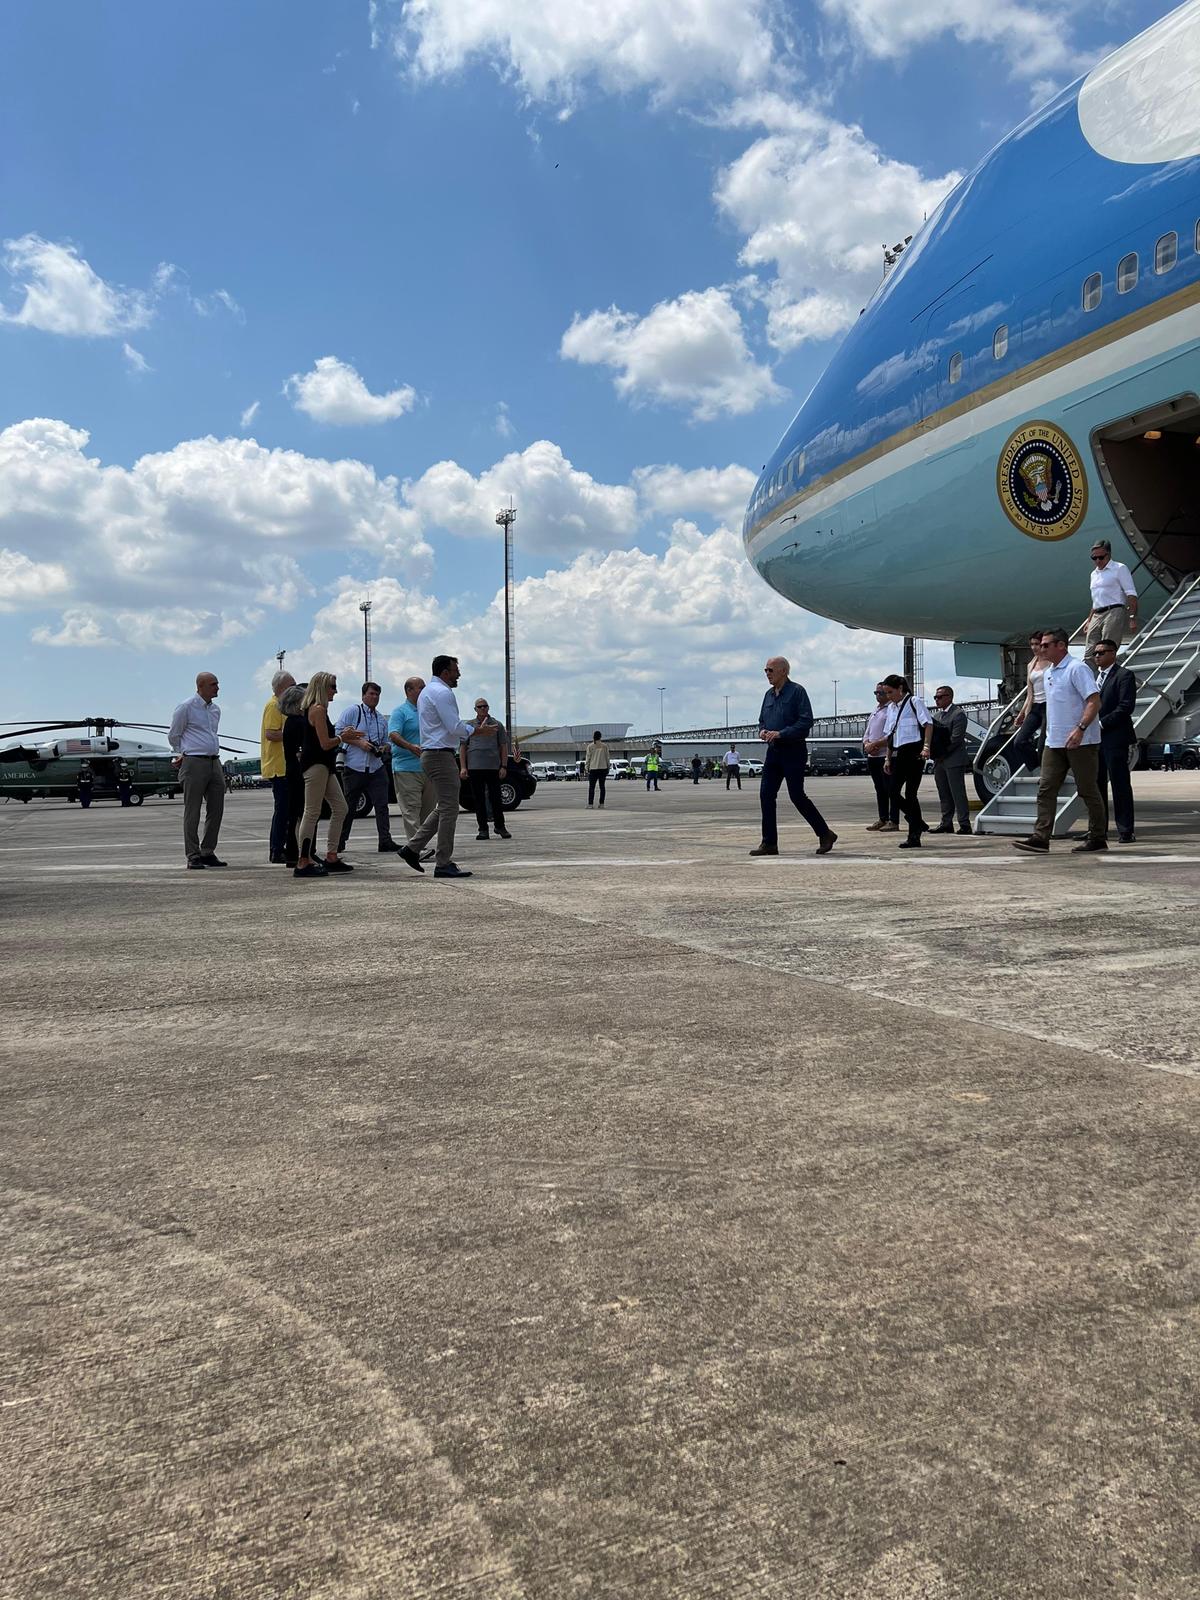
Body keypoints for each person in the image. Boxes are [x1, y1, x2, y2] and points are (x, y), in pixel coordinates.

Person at [1012, 628, 1106, 854]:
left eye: (1045, 645)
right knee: (1045, 788)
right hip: (1054, 742)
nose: (1040, 649)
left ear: (1061, 645)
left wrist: (1081, 728)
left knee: (1087, 790)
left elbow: (1094, 702)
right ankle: (1041, 837)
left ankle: (1098, 837)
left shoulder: (1077, 669)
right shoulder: (1049, 673)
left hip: (1081, 741)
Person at [396, 654, 482, 879]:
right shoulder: (443, 693)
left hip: (433, 754)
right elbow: (454, 727)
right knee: (450, 809)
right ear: (445, 672)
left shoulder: (428, 692)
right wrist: (476, 730)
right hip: (439, 755)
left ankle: (412, 848)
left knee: (444, 806)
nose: (459, 674)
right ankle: (443, 862)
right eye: (456, 670)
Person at [750, 656, 836, 857]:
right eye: (766, 670)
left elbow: (806, 721)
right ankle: (769, 843)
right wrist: (763, 731)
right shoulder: (768, 695)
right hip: (773, 752)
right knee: (766, 795)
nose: (767, 674)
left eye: (770, 670)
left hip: (793, 750)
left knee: (797, 795)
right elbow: (762, 720)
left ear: (783, 671)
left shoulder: (797, 692)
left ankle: (825, 833)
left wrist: (782, 733)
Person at [295, 672, 364, 878]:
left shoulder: (320, 710)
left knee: (340, 808)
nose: (336, 690)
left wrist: (344, 736)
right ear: (323, 688)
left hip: (325, 765)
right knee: (312, 811)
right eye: (332, 686)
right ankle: (303, 861)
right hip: (316, 765)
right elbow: (325, 743)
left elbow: (327, 741)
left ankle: (331, 855)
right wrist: (344, 736)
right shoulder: (317, 709)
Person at [168, 670, 226, 870]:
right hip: (194, 762)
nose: (217, 687)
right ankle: (193, 855)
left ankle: (207, 851)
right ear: (200, 686)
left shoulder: (215, 710)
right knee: (192, 810)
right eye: (213, 684)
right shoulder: (186, 707)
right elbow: (174, 735)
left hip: (214, 762)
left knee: (216, 809)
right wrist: (182, 753)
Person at [336, 681, 399, 854]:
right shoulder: (353, 712)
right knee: (349, 807)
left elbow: (386, 741)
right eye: (371, 694)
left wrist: (384, 747)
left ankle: (385, 841)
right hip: (354, 765)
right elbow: (338, 733)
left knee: (382, 805)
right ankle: (339, 842)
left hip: (375, 766)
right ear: (363, 695)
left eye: (377, 694)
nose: (374, 697)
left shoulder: (380, 718)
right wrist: (360, 743)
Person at [1094, 639, 1137, 843]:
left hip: (1115, 737)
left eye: (1101, 653)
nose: (1097, 657)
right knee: (1097, 785)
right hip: (1095, 740)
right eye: (1095, 654)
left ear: (1113, 653)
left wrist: (1101, 724)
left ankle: (1126, 830)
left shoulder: (1124, 675)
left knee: (1120, 785)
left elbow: (1126, 707)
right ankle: (1098, 830)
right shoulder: (1095, 678)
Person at [881, 674, 931, 849]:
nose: (888, 696)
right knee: (892, 791)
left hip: (914, 751)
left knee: (911, 794)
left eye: (890, 692)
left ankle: (914, 836)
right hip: (899, 752)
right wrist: (887, 758)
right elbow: (890, 735)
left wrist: (926, 747)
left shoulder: (914, 701)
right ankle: (917, 821)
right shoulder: (891, 708)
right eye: (885, 693)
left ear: (900, 688)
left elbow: (928, 724)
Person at [388, 676, 435, 849]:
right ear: (409, 691)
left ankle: (421, 845)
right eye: (420, 688)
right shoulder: (400, 712)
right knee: (411, 810)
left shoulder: (428, 711)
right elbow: (393, 734)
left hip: (428, 769)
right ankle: (415, 850)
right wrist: (410, 747)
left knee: (429, 812)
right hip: (406, 769)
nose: (424, 690)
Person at [462, 696, 511, 841]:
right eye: (480, 707)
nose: (483, 708)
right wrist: (463, 767)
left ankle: (500, 826)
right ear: (475, 709)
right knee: (479, 799)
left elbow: (503, 746)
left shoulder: (497, 725)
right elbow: (463, 747)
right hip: (475, 767)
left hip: (492, 767)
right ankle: (483, 829)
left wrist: (503, 766)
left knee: (496, 798)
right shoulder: (469, 726)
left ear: (488, 708)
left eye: (485, 706)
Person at [1084, 539, 1138, 667]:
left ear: (1108, 554)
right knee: (1089, 653)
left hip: (1114, 611)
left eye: (1101, 557)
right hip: (1097, 613)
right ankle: (1093, 679)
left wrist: (1132, 617)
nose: (1097, 561)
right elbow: (1096, 599)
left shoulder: (1119, 568)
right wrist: (1089, 619)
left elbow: (1131, 594)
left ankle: (1109, 676)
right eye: (1094, 558)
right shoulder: (1094, 574)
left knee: (1106, 648)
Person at [261, 668, 295, 863]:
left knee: (287, 810)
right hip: (278, 766)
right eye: (292, 686)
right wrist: (294, 734)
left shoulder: (283, 706)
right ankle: (276, 849)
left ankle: (282, 846)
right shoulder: (274, 706)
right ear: (282, 687)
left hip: (286, 764)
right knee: (282, 810)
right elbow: (271, 733)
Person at [929, 686, 972, 834]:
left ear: (949, 697)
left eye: (940, 697)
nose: (937, 700)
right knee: (944, 793)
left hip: (953, 760)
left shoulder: (958, 714)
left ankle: (964, 824)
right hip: (939, 760)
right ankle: (946, 822)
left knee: (957, 793)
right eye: (936, 697)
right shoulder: (936, 716)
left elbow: (956, 738)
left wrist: (941, 753)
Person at [279, 681, 308, 867]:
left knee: (294, 813)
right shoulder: (298, 723)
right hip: (299, 772)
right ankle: (299, 851)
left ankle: (291, 851)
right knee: (300, 812)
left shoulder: (289, 722)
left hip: (291, 770)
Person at [862, 682, 898, 831]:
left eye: (881, 693)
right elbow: (868, 731)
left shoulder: (891, 709)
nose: (878, 695)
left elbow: (891, 734)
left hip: (886, 755)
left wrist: (876, 745)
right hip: (873, 757)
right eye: (875, 693)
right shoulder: (876, 710)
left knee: (891, 789)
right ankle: (882, 818)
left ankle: (893, 820)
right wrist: (866, 744)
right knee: (880, 789)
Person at [1011, 631, 1049, 772]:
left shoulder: (1051, 662)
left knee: (1043, 742)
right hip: (1035, 706)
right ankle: (1037, 767)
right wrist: (1022, 713)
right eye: (1031, 644)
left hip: (1048, 705)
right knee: (1019, 742)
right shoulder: (1031, 664)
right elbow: (1030, 693)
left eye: (1037, 644)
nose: (1034, 647)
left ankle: (1046, 771)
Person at [584, 731, 610, 807]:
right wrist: (608, 767)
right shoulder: (604, 746)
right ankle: (601, 803)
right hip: (603, 768)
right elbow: (607, 758)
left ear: (593, 737)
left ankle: (590, 804)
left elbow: (588, 758)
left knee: (592, 787)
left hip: (593, 768)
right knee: (602, 787)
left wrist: (586, 767)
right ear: (600, 737)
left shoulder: (590, 746)